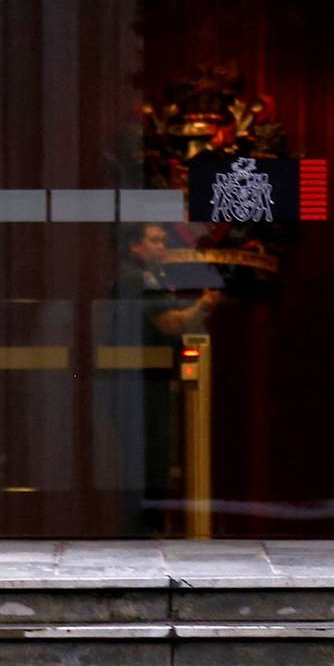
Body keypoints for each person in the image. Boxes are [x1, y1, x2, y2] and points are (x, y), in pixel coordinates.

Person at [109, 222, 222, 532]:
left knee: (152, 460)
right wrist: (202, 306)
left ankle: (147, 528)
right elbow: (169, 323)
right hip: (140, 384)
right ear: (135, 246)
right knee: (149, 461)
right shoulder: (138, 278)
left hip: (144, 381)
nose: (162, 246)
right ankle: (143, 530)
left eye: (163, 241)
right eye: (154, 241)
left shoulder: (152, 278)